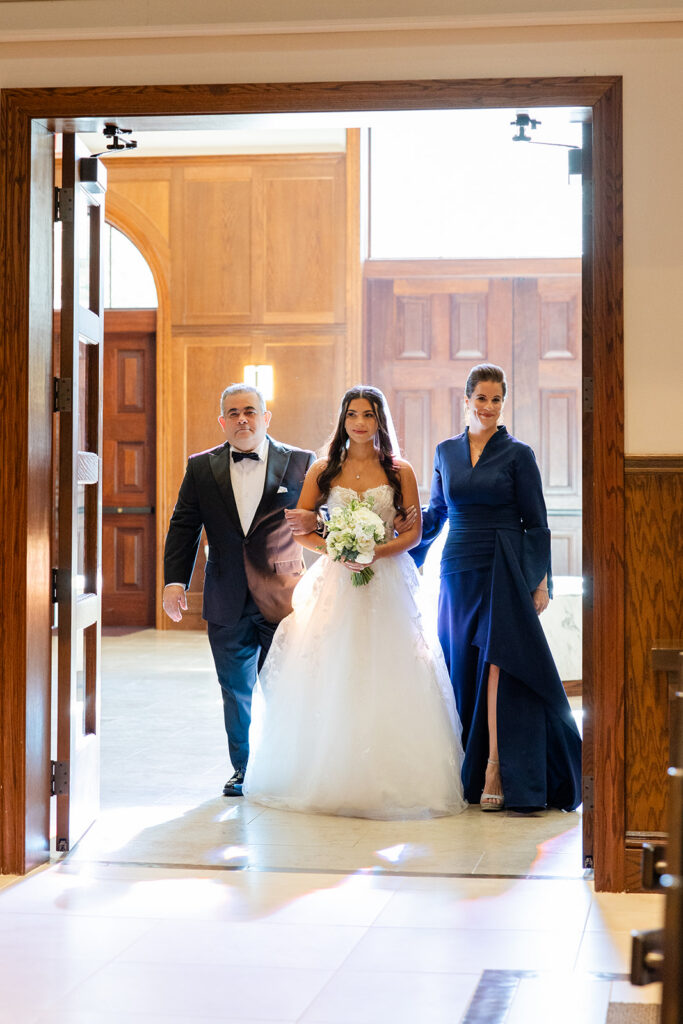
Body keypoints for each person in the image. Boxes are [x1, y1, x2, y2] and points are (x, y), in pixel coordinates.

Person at [243, 385, 466, 819]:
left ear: (380, 421)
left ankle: (391, 776)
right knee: (334, 668)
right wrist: (338, 548)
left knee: (390, 670)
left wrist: (373, 552)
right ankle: (328, 773)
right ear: (343, 420)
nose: (360, 422)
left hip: (387, 580)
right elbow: (302, 529)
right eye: (352, 414)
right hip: (337, 581)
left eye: (368, 414)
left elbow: (413, 534)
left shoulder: (400, 471)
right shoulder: (324, 470)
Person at [412, 363, 582, 813]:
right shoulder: (445, 451)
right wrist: (401, 553)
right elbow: (436, 514)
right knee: (461, 662)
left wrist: (538, 581)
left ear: (503, 403)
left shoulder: (517, 454)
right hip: (457, 568)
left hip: (504, 568)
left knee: (497, 663)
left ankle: (494, 766)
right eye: (481, 398)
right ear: (465, 400)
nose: (488, 407)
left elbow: (537, 523)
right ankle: (463, 769)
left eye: (496, 399)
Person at [163, 384, 315, 797]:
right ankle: (244, 768)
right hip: (225, 596)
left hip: (283, 596)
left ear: (267, 417)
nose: (242, 419)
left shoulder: (302, 462)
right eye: (233, 413)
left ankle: (288, 766)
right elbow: (183, 525)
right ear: (222, 421)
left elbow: (321, 519)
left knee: (285, 686)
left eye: (250, 411)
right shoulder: (201, 468)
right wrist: (174, 581)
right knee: (234, 690)